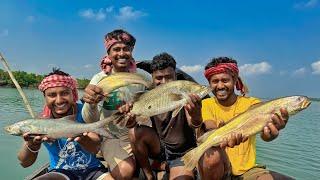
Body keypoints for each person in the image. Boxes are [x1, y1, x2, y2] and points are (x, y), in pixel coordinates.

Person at [199, 57, 294, 179]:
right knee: (211, 157)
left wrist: (271, 133)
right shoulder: (206, 104)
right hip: (219, 169)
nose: (220, 85)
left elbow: (265, 135)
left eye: (225, 80)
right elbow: (209, 126)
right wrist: (221, 133)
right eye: (215, 81)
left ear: (234, 80)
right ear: (209, 84)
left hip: (247, 170)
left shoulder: (253, 104)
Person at [120, 52, 202, 180]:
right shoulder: (148, 95)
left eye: (169, 77)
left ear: (175, 75)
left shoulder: (186, 93)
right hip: (160, 148)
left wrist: (196, 114)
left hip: (181, 153)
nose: (164, 82)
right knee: (133, 132)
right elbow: (133, 123)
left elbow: (194, 123)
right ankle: (149, 175)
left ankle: (167, 167)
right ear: (152, 77)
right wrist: (129, 119)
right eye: (159, 78)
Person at [82, 29, 150, 179]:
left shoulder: (144, 77)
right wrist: (91, 104)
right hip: (113, 136)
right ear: (108, 53)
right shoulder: (99, 79)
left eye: (126, 49)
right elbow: (89, 120)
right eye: (116, 49)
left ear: (131, 51)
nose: (121, 53)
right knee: (125, 171)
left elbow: (156, 101)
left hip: (140, 133)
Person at [17, 68, 108, 180]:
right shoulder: (40, 122)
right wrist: (32, 145)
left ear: (73, 94)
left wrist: (79, 136)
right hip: (60, 172)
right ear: (44, 97)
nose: (59, 100)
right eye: (52, 95)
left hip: (92, 170)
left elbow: (95, 148)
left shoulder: (85, 112)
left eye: (64, 93)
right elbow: (24, 163)